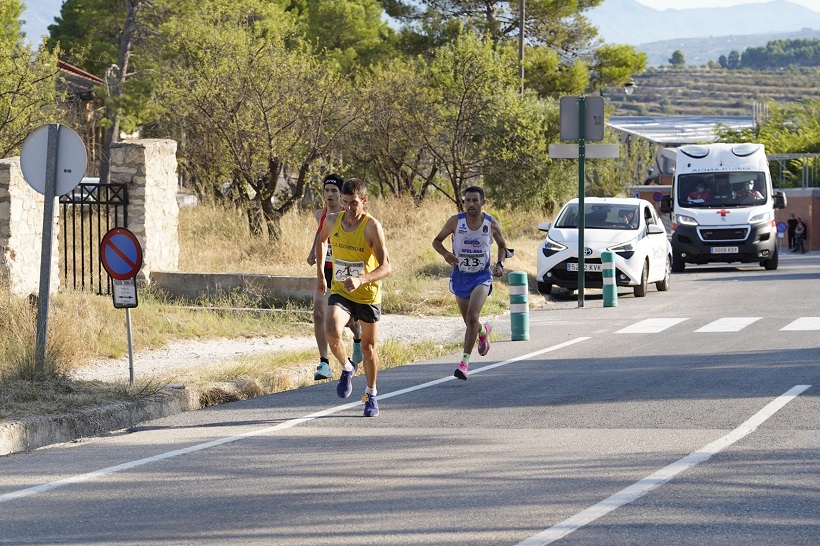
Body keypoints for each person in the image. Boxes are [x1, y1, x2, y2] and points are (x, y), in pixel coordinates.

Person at [315, 178, 392, 417]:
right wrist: (320, 274)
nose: (349, 208)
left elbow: (386, 267)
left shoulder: (372, 227)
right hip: (340, 290)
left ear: (364, 201)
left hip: (367, 295)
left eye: (354, 203)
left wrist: (361, 279)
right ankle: (347, 368)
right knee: (331, 329)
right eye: (345, 202)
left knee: (368, 349)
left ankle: (371, 394)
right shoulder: (331, 220)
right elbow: (321, 242)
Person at [432, 186, 509, 380]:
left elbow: (502, 245)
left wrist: (500, 264)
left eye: (475, 200)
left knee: (473, 316)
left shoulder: (490, 224)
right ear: (463, 202)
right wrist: (446, 254)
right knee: (469, 321)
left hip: (482, 276)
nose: (471, 204)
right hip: (460, 276)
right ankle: (484, 331)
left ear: (483, 202)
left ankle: (464, 363)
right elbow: (436, 241)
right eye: (467, 200)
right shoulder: (455, 222)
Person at [307, 174, 363, 381]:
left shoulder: (348, 215)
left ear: (342, 195)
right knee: (319, 314)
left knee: (348, 321)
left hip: (346, 271)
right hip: (326, 270)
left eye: (334, 191)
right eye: (326, 190)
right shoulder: (320, 214)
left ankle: (357, 339)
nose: (329, 195)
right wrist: (313, 251)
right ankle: (324, 363)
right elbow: (321, 233)